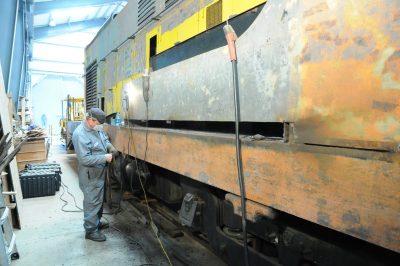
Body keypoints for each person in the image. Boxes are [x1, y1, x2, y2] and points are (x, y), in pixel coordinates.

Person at [72, 108, 118, 242]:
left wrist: (110, 147)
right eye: (97, 123)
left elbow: (103, 139)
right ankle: (91, 230)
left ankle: (96, 222)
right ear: (90, 119)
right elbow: (84, 159)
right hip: (90, 175)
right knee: (92, 202)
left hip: (99, 172)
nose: (98, 126)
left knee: (98, 200)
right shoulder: (80, 134)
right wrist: (105, 157)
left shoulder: (95, 128)